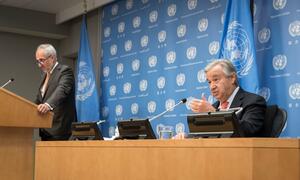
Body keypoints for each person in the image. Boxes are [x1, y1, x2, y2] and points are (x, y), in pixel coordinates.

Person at [189, 59, 266, 137]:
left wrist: (214, 114)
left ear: (232, 78)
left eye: (216, 80)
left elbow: (248, 131)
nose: (212, 87)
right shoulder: (214, 107)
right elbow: (203, 136)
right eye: (209, 82)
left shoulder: (253, 101)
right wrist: (186, 137)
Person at [35, 44, 77, 140]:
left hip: (60, 129)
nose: (39, 64)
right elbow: (39, 99)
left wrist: (47, 105)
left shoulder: (65, 71)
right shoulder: (45, 76)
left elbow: (62, 90)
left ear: (52, 58)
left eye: (41, 60)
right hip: (45, 130)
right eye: (37, 61)